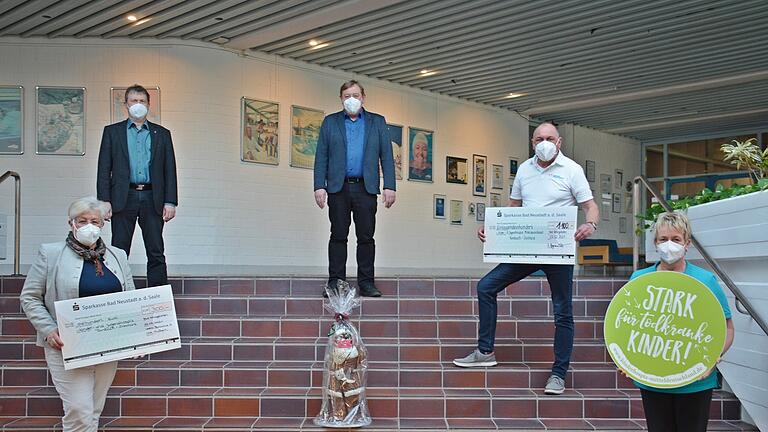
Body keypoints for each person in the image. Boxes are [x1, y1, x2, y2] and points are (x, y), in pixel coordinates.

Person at [453, 122, 600, 396]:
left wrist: (590, 225)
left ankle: (558, 373)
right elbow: (513, 207)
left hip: (557, 250)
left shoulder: (572, 170)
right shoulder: (524, 169)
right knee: (486, 287)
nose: (544, 142)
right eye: (539, 138)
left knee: (563, 311)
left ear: (559, 142)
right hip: (526, 248)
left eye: (549, 138)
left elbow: (590, 206)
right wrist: (493, 229)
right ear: (533, 142)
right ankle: (485, 352)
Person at [20, 197, 136, 432]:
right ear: (71, 223)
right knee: (79, 411)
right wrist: (48, 329)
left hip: (108, 344)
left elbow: (130, 298)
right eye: (82, 221)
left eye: (95, 221)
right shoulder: (51, 254)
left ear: (103, 224)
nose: (89, 226)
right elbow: (29, 297)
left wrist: (136, 336)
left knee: (93, 409)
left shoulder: (117, 256)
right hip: (66, 345)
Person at [627, 211, 734, 432]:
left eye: (676, 239)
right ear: (655, 243)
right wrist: (627, 359)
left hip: (696, 382)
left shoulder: (705, 281)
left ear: (687, 244)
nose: (669, 245)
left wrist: (713, 358)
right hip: (653, 380)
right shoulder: (639, 280)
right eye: (663, 239)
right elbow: (627, 325)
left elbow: (727, 328)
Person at [314, 80, 396, 297]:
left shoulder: (377, 122)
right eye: (347, 95)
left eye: (356, 95)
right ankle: (336, 283)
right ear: (341, 99)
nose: (352, 99)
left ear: (363, 97)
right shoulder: (330, 122)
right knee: (338, 235)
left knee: (366, 237)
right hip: (338, 188)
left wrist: (390, 185)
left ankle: (367, 283)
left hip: (366, 188)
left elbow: (386, 156)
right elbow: (321, 155)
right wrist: (319, 186)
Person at [97, 84, 178, 287]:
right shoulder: (112, 132)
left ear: (149, 105)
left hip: (153, 198)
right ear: (126, 104)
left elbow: (170, 169)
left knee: (156, 250)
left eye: (142, 101)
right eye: (134, 101)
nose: (138, 105)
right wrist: (104, 201)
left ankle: (159, 298)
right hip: (123, 197)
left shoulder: (162, 134)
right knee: (119, 250)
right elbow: (104, 168)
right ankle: (116, 294)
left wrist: (171, 201)